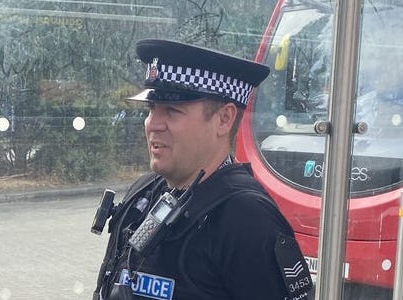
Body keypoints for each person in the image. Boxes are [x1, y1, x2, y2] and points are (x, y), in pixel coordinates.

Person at [93, 39, 313, 300]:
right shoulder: (142, 193)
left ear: (224, 119)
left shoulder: (247, 219)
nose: (153, 124)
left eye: (172, 111)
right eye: (152, 109)